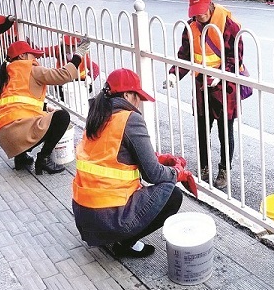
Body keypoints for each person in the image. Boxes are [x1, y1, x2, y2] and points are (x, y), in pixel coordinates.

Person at [72, 68, 195, 257]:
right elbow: (153, 174)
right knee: (172, 195)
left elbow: (114, 155)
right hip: (107, 218)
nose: (139, 103)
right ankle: (124, 243)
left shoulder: (97, 115)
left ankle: (112, 236)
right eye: (137, 96)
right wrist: (176, 171)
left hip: (84, 216)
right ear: (127, 94)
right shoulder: (129, 119)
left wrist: (159, 158)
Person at [163, 0, 244, 189]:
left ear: (210, 5)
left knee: (225, 132)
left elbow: (236, 57)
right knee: (201, 129)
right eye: (195, 12)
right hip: (201, 86)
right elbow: (184, 55)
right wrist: (174, 74)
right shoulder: (190, 27)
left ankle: (224, 168)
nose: (199, 16)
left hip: (225, 87)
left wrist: (222, 75)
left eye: (202, 11)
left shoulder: (229, 26)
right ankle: (205, 166)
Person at [0, 39, 89, 174]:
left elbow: (18, 102)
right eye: (33, 55)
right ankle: (43, 159)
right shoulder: (31, 70)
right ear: (22, 56)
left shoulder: (7, 74)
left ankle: (21, 158)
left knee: (42, 117)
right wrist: (78, 55)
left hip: (5, 139)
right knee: (61, 117)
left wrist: (44, 107)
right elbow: (64, 75)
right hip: (20, 133)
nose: (36, 59)